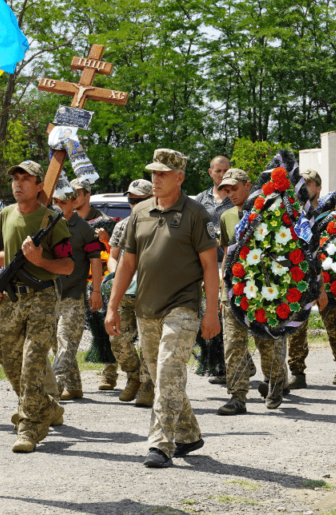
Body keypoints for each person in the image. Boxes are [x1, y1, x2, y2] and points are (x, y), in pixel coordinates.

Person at [105, 148, 220, 468]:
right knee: (160, 375)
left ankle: (161, 444)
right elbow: (126, 265)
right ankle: (189, 434)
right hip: (146, 308)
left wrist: (212, 312)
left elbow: (210, 267)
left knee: (169, 369)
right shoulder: (139, 213)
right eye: (153, 173)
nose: (156, 178)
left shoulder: (196, 214)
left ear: (179, 178)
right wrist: (112, 307)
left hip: (182, 308)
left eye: (163, 174)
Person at [0, 161, 72, 453]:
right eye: (15, 179)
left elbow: (68, 265)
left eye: (26, 179)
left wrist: (39, 261)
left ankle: (29, 427)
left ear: (38, 186)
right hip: (10, 298)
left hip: (43, 297)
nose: (18, 184)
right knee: (8, 359)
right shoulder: (5, 215)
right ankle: (47, 407)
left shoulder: (52, 220)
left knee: (32, 361)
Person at [217, 167, 291, 416]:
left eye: (234, 188)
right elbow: (227, 253)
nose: (230, 193)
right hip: (233, 289)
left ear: (248, 186)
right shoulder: (226, 216)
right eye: (226, 190)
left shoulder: (268, 211)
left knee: (267, 343)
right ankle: (237, 396)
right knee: (233, 344)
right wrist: (221, 291)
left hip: (263, 289)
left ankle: (276, 383)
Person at [287, 169, 336, 389]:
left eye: (308, 184)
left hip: (328, 276)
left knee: (333, 323)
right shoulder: (292, 214)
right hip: (300, 278)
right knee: (296, 325)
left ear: (318, 187)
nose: (302, 189)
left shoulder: (331, 215)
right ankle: (297, 371)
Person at [49, 182, 102, 400]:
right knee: (56, 343)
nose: (58, 205)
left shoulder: (83, 228)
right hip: (50, 294)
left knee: (65, 340)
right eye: (55, 201)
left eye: (63, 201)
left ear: (73, 202)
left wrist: (96, 291)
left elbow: (96, 259)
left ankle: (51, 389)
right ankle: (74, 386)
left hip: (73, 294)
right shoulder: (48, 224)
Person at [102, 179, 153, 404]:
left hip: (151, 292)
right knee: (118, 339)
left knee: (149, 342)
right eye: (131, 199)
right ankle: (134, 377)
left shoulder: (159, 224)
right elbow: (113, 257)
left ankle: (148, 384)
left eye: (139, 200)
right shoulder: (122, 226)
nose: (133, 204)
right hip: (125, 291)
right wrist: (116, 277)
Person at [193, 156, 233, 382]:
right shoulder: (200, 199)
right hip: (205, 265)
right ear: (210, 173)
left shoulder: (237, 198)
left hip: (227, 264)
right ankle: (217, 362)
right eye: (218, 171)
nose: (222, 174)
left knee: (225, 313)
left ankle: (233, 362)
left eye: (226, 170)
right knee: (205, 313)